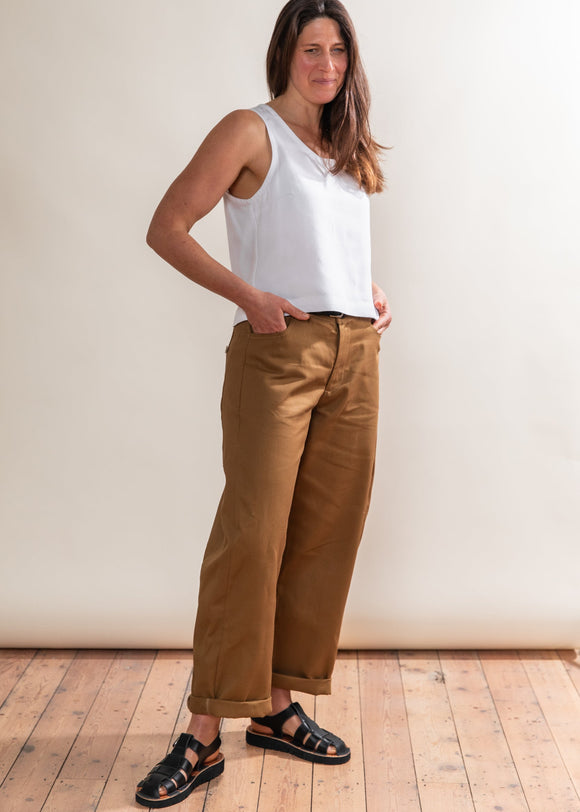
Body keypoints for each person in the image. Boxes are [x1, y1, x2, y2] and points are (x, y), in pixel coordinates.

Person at [136, 0, 392, 807]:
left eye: (338, 51)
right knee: (252, 537)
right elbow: (167, 226)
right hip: (277, 353)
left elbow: (323, 246)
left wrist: (366, 292)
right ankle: (203, 732)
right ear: (285, 52)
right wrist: (247, 296)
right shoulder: (249, 131)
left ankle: (278, 709)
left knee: (322, 536)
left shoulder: (341, 142)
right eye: (311, 49)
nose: (325, 65)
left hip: (355, 354)